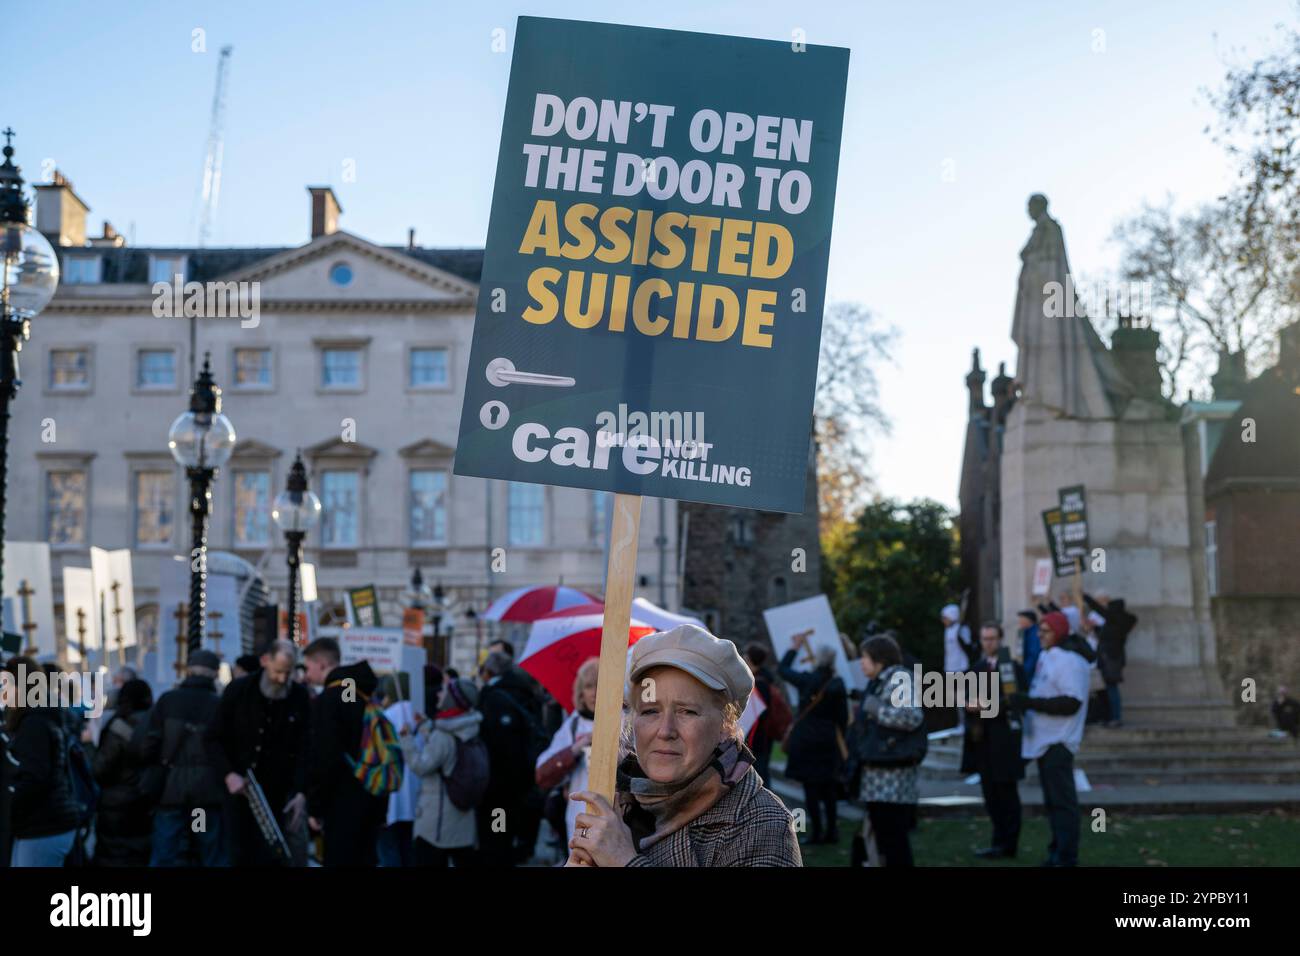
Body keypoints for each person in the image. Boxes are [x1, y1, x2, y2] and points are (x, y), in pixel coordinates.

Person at [566, 624, 801, 867]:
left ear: (726, 724)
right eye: (650, 711)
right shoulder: (616, 808)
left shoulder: (763, 824)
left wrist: (623, 861)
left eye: (687, 711)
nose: (665, 730)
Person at [217, 639, 311, 866]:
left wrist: (300, 792)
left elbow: (306, 747)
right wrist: (229, 773)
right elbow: (215, 737)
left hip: (278, 795)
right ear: (265, 662)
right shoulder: (239, 691)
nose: (282, 679)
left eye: (287, 673)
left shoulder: (298, 696)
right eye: (278, 671)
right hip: (239, 794)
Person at [134, 649, 229, 866]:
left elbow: (146, 744)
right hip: (203, 797)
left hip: (171, 792)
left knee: (166, 850)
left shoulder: (168, 701)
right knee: (207, 848)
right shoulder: (218, 704)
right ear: (214, 674)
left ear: (188, 671)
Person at [1014, 611, 1090, 867]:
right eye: (1039, 630)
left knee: (1062, 803)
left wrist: (1030, 702)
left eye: (1045, 631)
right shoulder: (1048, 657)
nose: (1039, 635)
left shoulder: (1069, 661)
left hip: (1059, 741)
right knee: (1053, 803)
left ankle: (1067, 856)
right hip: (1045, 742)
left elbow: (1071, 702)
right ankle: (1056, 851)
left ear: (1057, 632)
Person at [304, 637, 387, 866]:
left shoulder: (329, 700)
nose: (306, 674)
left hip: (340, 801)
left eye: (308, 666)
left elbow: (325, 756)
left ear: (321, 664)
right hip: (371, 793)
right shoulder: (360, 693)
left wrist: (315, 805)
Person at [853, 634, 925, 867]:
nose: (861, 662)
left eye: (864, 657)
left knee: (894, 840)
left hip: (892, 781)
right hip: (880, 779)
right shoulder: (882, 680)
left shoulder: (899, 678)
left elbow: (912, 716)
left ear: (879, 659)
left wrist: (877, 709)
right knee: (886, 838)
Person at [4, 656, 84, 867]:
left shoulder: (35, 722)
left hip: (44, 824)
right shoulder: (40, 716)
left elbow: (35, 777)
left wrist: (8, 806)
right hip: (45, 822)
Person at [959, 624, 1025, 859]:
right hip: (982, 740)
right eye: (984, 639)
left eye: (992, 638)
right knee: (990, 795)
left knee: (1007, 794)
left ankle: (1009, 844)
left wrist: (986, 705)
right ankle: (997, 842)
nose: (988, 643)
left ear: (1000, 639)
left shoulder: (1011, 668)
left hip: (1005, 741)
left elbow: (1015, 701)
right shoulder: (975, 669)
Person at [401, 677, 483, 867]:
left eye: (444, 691)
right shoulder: (471, 728)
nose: (439, 693)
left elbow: (420, 766)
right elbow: (447, 750)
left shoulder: (443, 736)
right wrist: (425, 727)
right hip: (463, 819)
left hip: (436, 824)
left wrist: (406, 740)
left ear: (452, 700)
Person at [777, 634, 847, 845]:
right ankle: (832, 831)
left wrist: (795, 648)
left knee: (811, 789)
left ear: (818, 659)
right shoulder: (838, 684)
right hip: (827, 740)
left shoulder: (807, 680)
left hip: (806, 739)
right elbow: (842, 718)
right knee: (829, 788)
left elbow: (783, 669)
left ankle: (816, 832)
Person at [477, 651, 544, 866]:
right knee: (507, 833)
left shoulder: (492, 697)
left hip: (496, 785)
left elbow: (492, 742)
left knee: (495, 836)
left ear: (489, 672)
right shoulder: (526, 693)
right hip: (522, 780)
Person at [535, 657, 597, 850]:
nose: (594, 693)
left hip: (618, 819)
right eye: (589, 686)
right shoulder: (573, 724)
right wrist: (575, 749)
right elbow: (542, 773)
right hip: (579, 817)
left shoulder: (626, 720)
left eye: (600, 685)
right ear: (581, 691)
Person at [91, 678, 154, 867]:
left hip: (116, 803)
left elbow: (101, 767)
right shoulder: (156, 723)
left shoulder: (118, 726)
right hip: (147, 799)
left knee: (114, 856)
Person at [377, 673, 419, 867]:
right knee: (409, 850)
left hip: (392, 796)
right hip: (416, 795)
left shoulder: (386, 716)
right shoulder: (420, 713)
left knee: (389, 852)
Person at [1084, 592, 1137, 728]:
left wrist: (1085, 597)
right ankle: (1109, 716)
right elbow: (1105, 634)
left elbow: (1099, 609)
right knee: (1107, 689)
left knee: (1111, 689)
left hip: (1111, 660)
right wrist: (1093, 627)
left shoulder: (1116, 621)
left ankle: (1115, 717)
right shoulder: (1116, 624)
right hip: (1109, 659)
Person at [742, 643, 786, 785]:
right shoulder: (764, 679)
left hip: (758, 736)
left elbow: (758, 713)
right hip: (763, 735)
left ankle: (767, 805)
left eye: (745, 656)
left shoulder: (759, 683)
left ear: (749, 660)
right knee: (759, 771)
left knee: (760, 774)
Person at [1016, 610, 1041, 682]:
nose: (1019, 621)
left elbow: (1033, 655)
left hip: (1031, 675)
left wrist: (1023, 672)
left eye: (1021, 619)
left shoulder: (1035, 634)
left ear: (1028, 620)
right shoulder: (1025, 632)